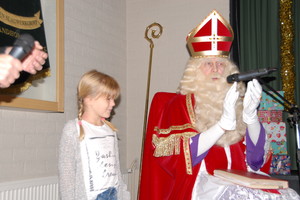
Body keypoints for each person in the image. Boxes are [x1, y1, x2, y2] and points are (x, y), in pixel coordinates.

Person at [139, 10, 300, 199]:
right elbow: (177, 159)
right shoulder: (179, 104)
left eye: (221, 64)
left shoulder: (236, 103)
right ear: (194, 71)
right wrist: (222, 125)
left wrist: (251, 118)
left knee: (287, 195)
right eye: (208, 64)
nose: (216, 69)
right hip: (201, 183)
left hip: (243, 180)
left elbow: (256, 162)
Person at [58, 70, 130, 200]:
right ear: (89, 99)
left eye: (113, 98)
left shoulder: (110, 130)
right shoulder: (72, 130)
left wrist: (124, 195)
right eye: (108, 98)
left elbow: (116, 171)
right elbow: (67, 178)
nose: (113, 104)